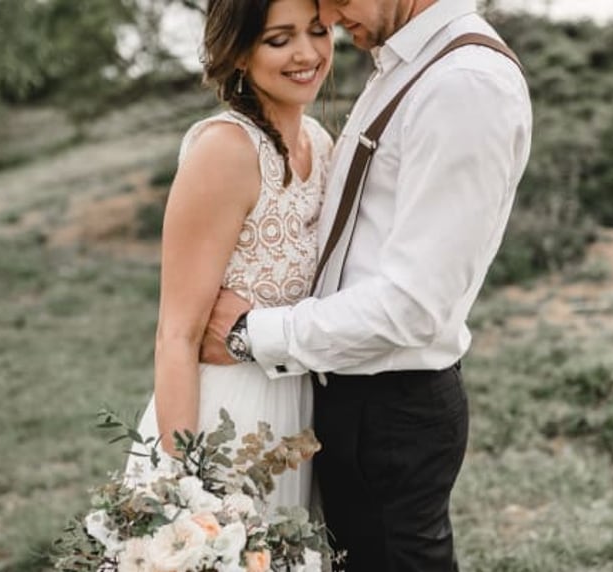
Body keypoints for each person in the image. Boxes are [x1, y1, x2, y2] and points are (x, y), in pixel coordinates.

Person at [200, 0, 533, 570]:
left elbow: (414, 306)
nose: (328, 14)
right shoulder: (409, 64)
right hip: (353, 394)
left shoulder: (464, 84)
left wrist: (252, 333)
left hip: (392, 408)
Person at [124, 0, 334, 513]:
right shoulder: (225, 151)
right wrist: (184, 487)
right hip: (226, 418)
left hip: (301, 416)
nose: (307, 53)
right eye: (279, 39)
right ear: (239, 53)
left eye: (318, 31)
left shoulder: (320, 142)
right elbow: (177, 334)